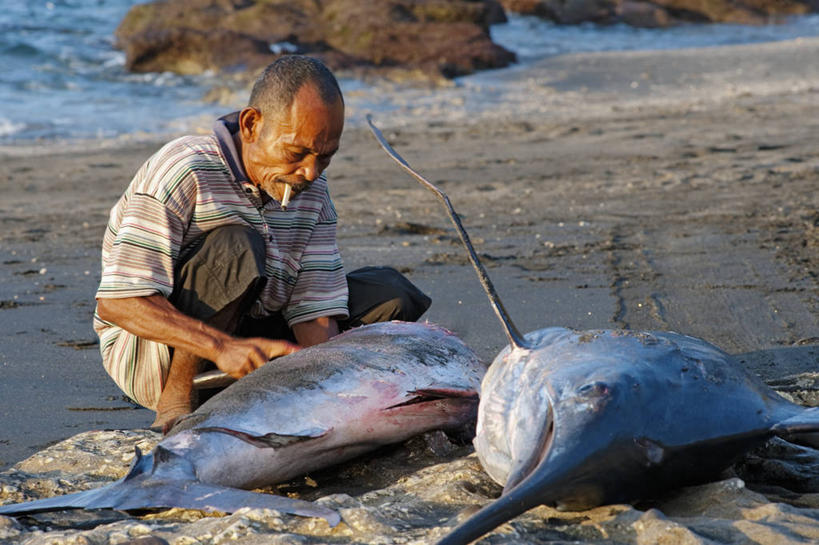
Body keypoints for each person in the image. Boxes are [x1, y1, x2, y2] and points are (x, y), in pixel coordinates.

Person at [94, 56, 431, 431]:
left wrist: (327, 390)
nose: (309, 172)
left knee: (391, 295)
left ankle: (283, 393)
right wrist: (221, 348)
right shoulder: (184, 170)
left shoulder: (313, 191)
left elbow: (314, 309)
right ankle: (178, 403)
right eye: (296, 153)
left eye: (325, 157)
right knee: (236, 246)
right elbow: (120, 302)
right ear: (252, 125)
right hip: (159, 359)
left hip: (253, 344)